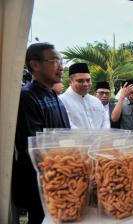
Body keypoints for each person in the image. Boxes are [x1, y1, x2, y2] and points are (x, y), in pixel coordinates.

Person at [12, 42, 70, 223]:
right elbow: (34, 145)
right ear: (35, 65)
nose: (61, 67)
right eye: (54, 61)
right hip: (41, 184)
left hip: (60, 177)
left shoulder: (52, 95)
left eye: (61, 61)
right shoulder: (27, 96)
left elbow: (64, 134)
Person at [59, 63, 110, 129]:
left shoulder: (96, 101)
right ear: (70, 82)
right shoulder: (61, 101)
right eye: (80, 81)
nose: (86, 84)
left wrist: (102, 138)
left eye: (88, 80)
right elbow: (68, 126)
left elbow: (105, 123)